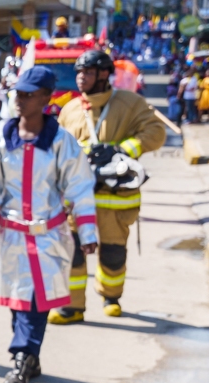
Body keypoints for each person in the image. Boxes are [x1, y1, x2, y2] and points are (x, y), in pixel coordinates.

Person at [0, 66, 97, 383]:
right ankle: (31, 359)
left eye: (28, 94)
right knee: (18, 300)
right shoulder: (2, 141)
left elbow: (80, 187)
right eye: (17, 94)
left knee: (35, 303)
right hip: (11, 239)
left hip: (48, 239)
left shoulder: (61, 142)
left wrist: (87, 230)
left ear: (45, 98)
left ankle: (20, 363)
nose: (20, 100)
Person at [49, 47, 166, 322]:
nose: (81, 78)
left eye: (87, 72)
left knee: (112, 254)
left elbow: (156, 132)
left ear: (103, 75)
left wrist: (121, 150)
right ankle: (72, 307)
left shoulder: (129, 102)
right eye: (79, 72)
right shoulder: (70, 109)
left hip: (115, 198)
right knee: (73, 254)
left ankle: (111, 297)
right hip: (76, 198)